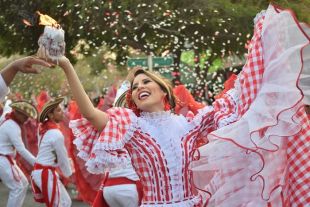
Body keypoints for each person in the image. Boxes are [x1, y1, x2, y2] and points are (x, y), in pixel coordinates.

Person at [40, 4, 309, 206]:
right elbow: (89, 112)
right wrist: (65, 64)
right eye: (134, 87)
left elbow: (237, 101)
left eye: (146, 83)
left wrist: (261, 56)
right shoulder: (130, 124)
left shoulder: (190, 124)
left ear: (163, 91)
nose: (139, 88)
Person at [31, 97, 72, 207]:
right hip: (45, 173)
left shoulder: (44, 128)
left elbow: (52, 153)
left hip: (43, 171)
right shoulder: (55, 133)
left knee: (66, 202)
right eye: (58, 110)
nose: (62, 112)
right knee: (58, 204)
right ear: (50, 115)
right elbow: (62, 156)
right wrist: (69, 174)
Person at [0, 101, 38, 207]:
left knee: (24, 183)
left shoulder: (11, 122)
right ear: (16, 112)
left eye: (28, 116)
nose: (27, 118)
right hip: (3, 159)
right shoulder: (12, 125)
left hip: (6, 159)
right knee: (17, 187)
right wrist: (38, 163)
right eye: (24, 115)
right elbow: (21, 149)